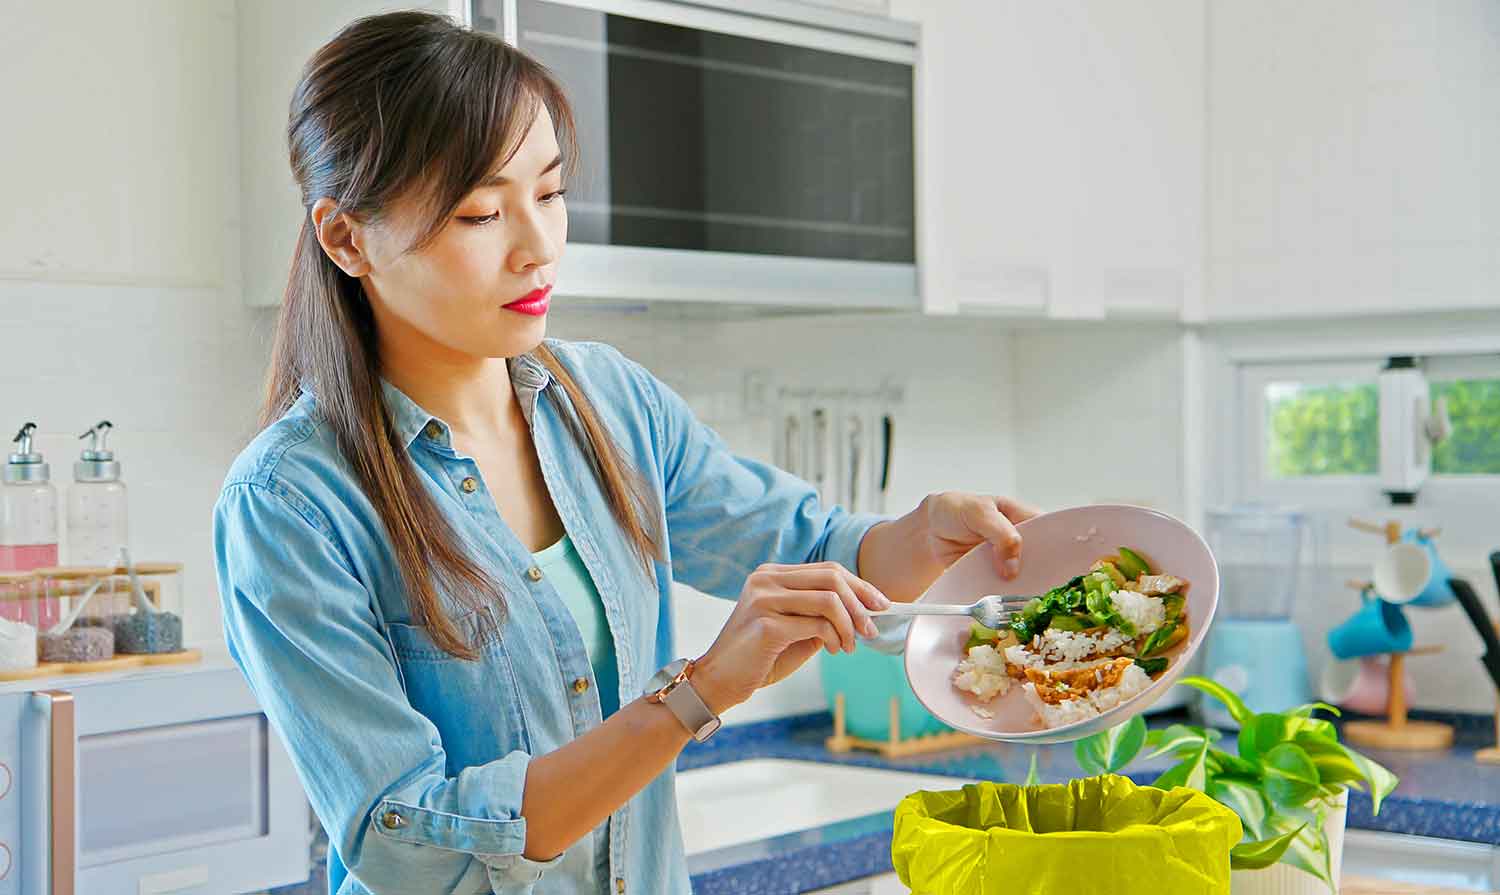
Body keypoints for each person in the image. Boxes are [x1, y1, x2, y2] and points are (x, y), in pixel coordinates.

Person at [213, 11, 1036, 895]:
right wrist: (696, 692)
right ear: (345, 238)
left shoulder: (609, 404)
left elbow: (819, 549)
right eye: (481, 211)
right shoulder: (292, 503)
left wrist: (932, 532)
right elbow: (409, 844)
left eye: (551, 192)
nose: (538, 247)